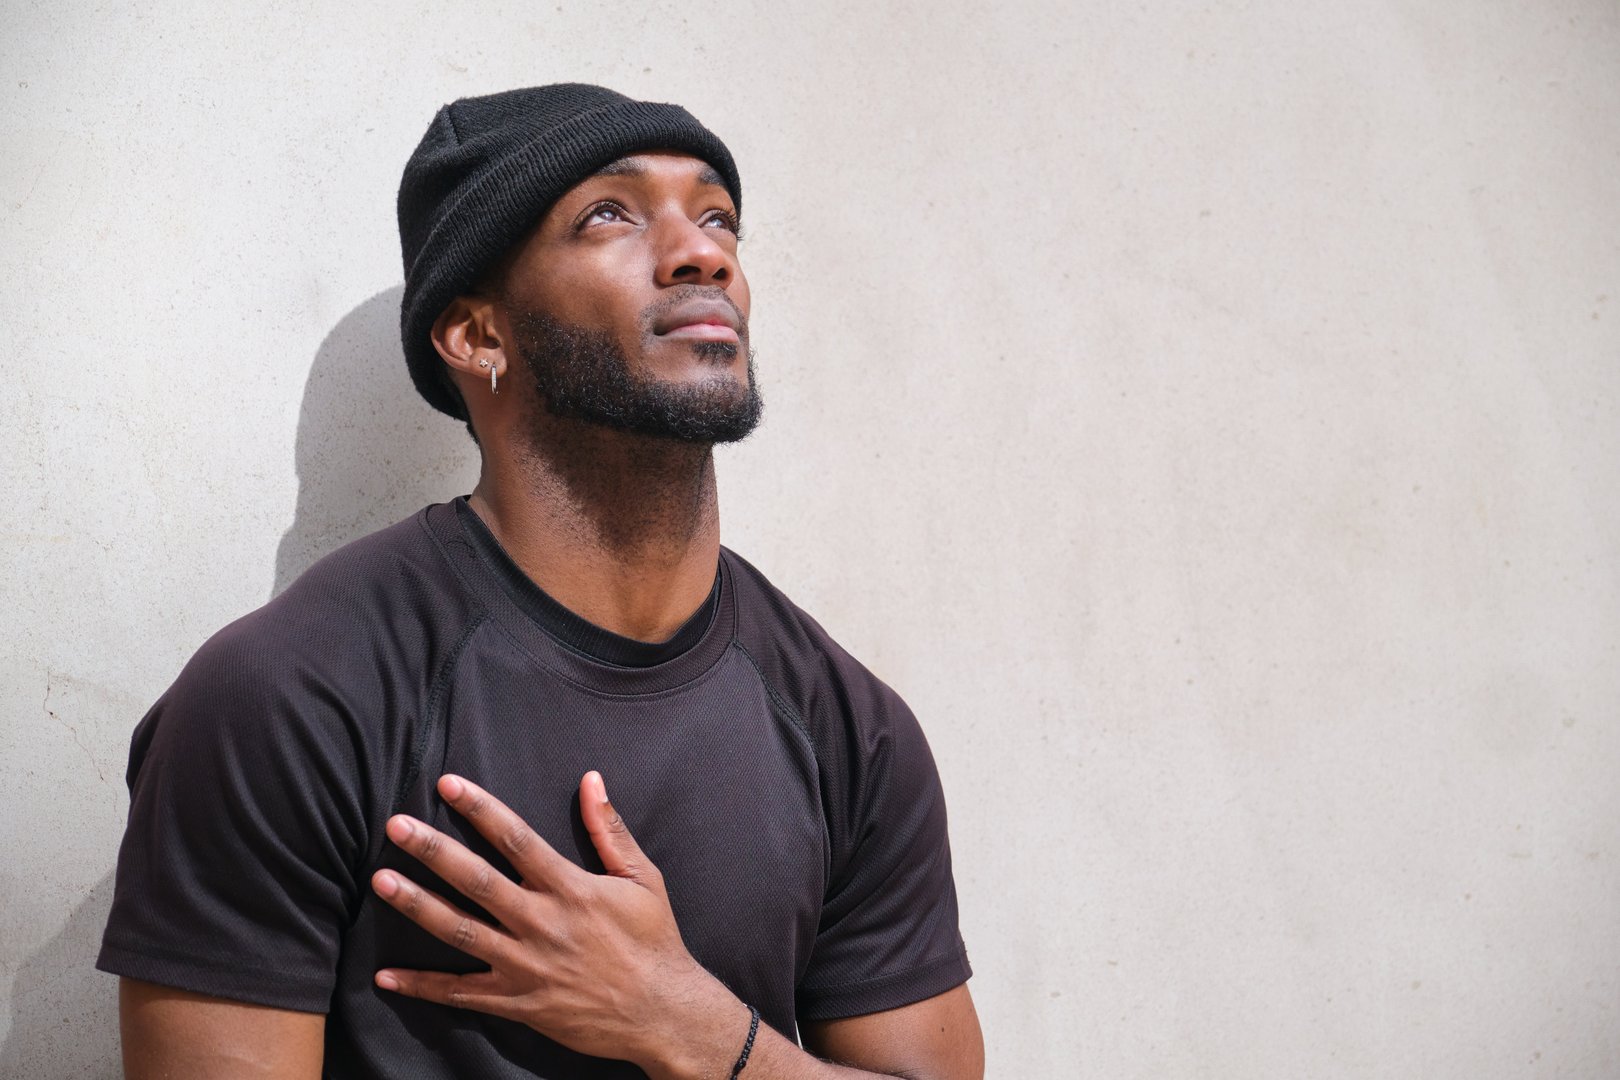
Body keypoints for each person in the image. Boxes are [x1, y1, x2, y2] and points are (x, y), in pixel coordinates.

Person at [98, 83, 983, 1079]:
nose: (706, 255)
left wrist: (690, 1028)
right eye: (610, 213)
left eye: (717, 216)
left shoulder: (848, 730)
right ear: (479, 335)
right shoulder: (291, 697)